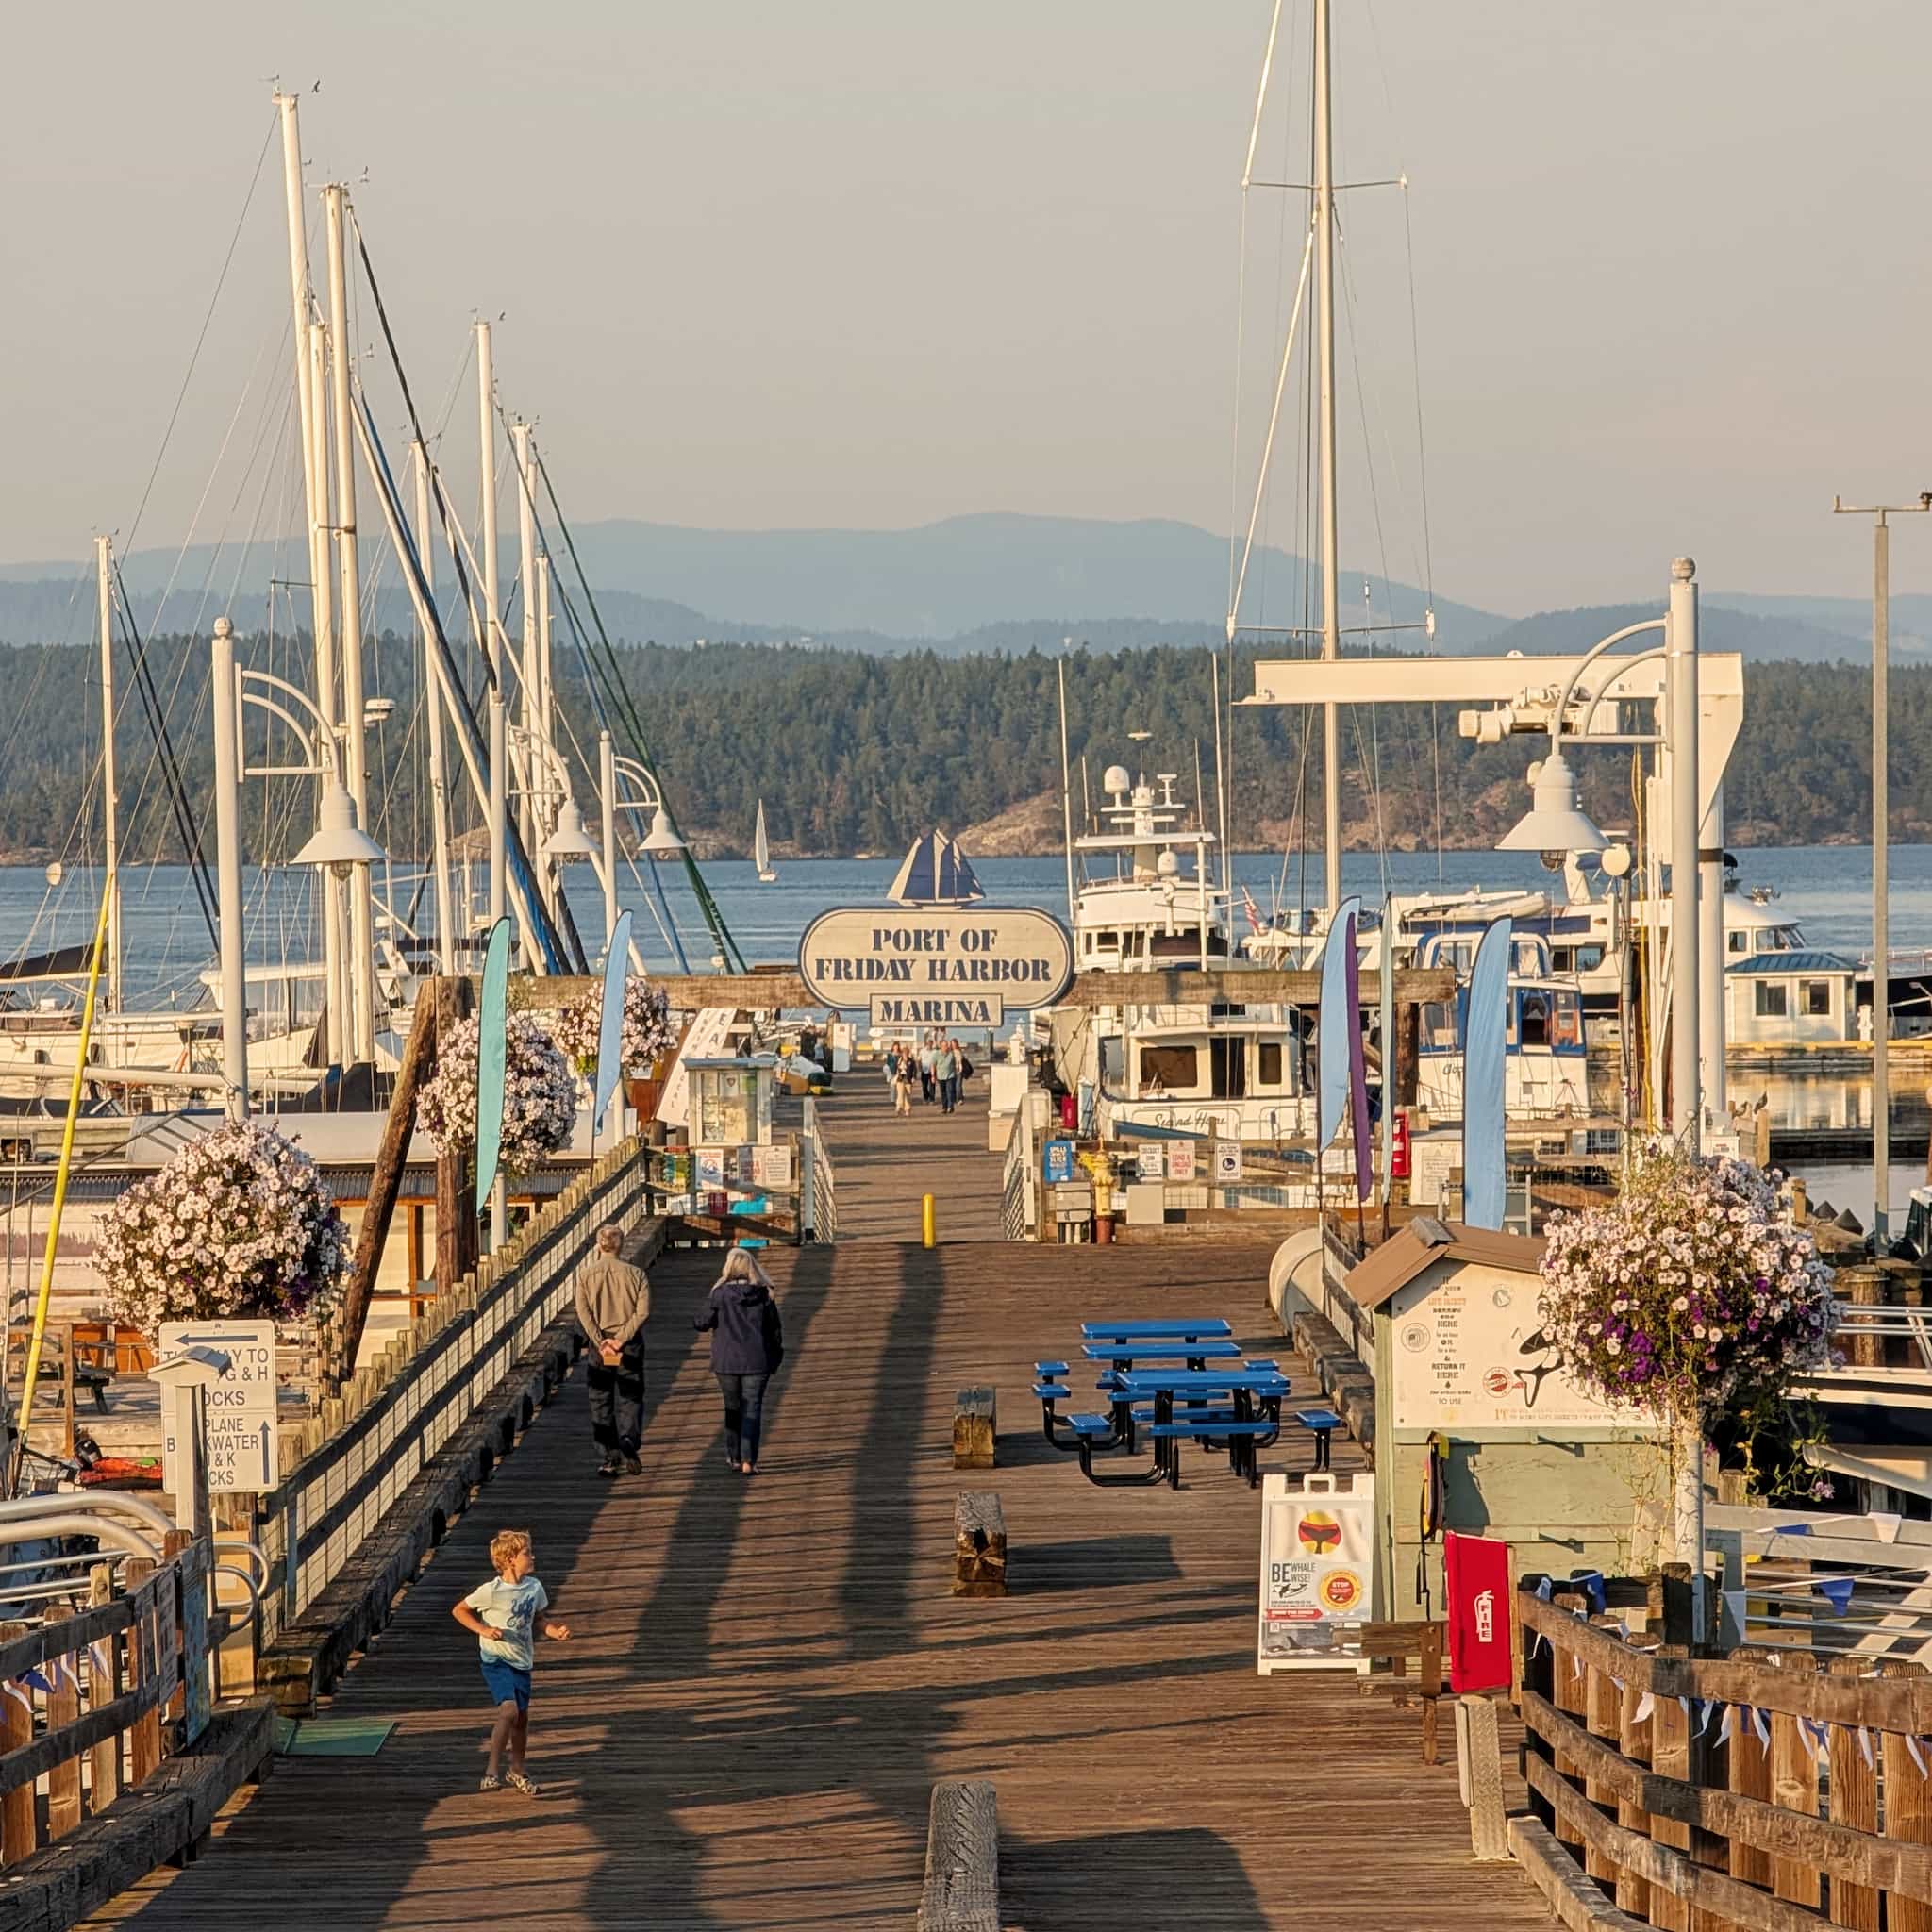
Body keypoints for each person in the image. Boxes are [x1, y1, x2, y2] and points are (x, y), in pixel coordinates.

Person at [451, 1527, 570, 1794]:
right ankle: (491, 1771)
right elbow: (459, 1610)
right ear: (510, 1560)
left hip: (522, 1661)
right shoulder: (491, 1591)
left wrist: (555, 1632)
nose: (533, 1557)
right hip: (496, 1659)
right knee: (509, 1710)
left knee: (522, 1719)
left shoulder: (534, 1587)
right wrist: (483, 1630)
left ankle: (517, 1769)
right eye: (527, 1553)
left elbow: (539, 1620)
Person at [693, 1248, 784, 1474]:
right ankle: (749, 1461)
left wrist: (713, 1299)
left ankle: (734, 1457)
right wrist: (775, 1358)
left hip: (726, 1360)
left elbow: (701, 1323)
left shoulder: (719, 1294)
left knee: (732, 1408)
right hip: (757, 1359)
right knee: (752, 1409)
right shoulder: (764, 1295)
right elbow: (774, 1331)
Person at [574, 1223, 650, 1479]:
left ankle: (609, 1456)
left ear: (599, 1245)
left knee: (600, 1398)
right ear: (621, 1245)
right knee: (630, 1394)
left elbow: (583, 1312)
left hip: (600, 1344)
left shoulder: (586, 1275)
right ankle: (629, 1437)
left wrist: (599, 1339)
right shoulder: (636, 1274)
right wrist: (621, 1338)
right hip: (628, 1342)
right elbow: (643, 1312)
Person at [932, 1035, 958, 1114]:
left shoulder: (951, 1054)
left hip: (950, 1075)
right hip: (940, 1076)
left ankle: (950, 1107)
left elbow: (955, 1064)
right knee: (943, 1092)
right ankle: (944, 1107)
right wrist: (933, 1076)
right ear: (940, 1046)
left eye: (946, 1045)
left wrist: (956, 1071)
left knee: (949, 1091)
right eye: (943, 1046)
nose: (945, 1047)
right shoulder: (937, 1054)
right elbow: (933, 1065)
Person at [893, 1045, 916, 1116]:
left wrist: (914, 1077)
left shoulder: (911, 1061)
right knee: (900, 1094)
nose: (905, 1054)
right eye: (904, 1052)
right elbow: (895, 1069)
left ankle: (907, 1109)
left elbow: (914, 1070)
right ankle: (899, 1108)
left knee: (908, 1095)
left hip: (908, 1080)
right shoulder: (899, 1060)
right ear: (902, 1053)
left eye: (906, 1052)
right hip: (900, 1080)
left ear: (908, 1053)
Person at [918, 1033, 937, 1104]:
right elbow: (919, 1060)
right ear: (926, 1043)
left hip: (933, 1071)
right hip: (924, 1070)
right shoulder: (922, 1051)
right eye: (928, 1043)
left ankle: (932, 1099)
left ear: (932, 1044)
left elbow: (937, 1061)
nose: (929, 1045)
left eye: (931, 1043)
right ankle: (926, 1098)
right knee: (924, 1086)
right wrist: (919, 1067)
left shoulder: (935, 1052)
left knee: (932, 1085)